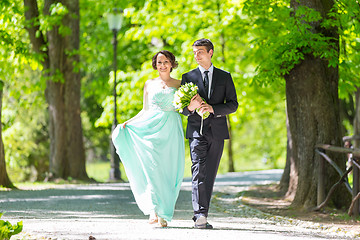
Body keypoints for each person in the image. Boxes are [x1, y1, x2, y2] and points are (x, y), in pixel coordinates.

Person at [112, 50, 185, 227]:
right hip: (151, 129)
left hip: (171, 128)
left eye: (166, 62)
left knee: (168, 170)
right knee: (152, 168)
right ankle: (154, 210)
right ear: (155, 64)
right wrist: (127, 123)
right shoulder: (149, 84)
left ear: (172, 63)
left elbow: (186, 107)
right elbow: (145, 110)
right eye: (159, 62)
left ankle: (164, 212)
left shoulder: (180, 83)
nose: (162, 65)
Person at [180, 38, 238, 229]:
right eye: (194, 52)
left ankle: (204, 211)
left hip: (217, 132)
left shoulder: (225, 77)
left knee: (210, 172)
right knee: (198, 171)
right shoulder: (188, 77)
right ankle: (200, 215)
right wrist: (191, 106)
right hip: (196, 131)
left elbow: (233, 105)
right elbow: (183, 110)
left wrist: (213, 108)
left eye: (200, 52)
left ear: (210, 52)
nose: (196, 55)